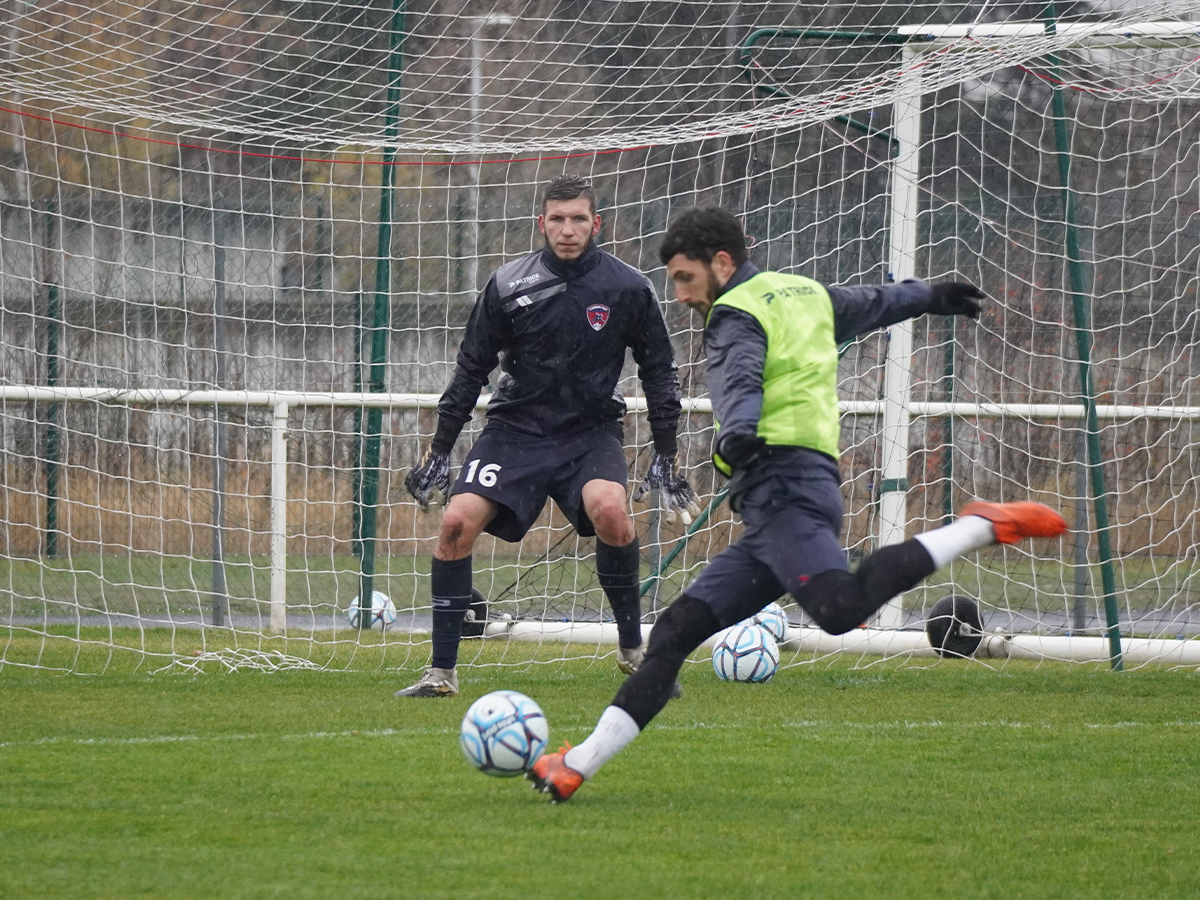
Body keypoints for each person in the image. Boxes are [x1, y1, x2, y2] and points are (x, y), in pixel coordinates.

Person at [528, 206, 1068, 801]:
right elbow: (875, 302)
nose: (679, 294)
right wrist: (931, 294)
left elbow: (740, 379)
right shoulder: (804, 294)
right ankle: (574, 764)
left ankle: (975, 527)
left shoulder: (735, 313)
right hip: (777, 502)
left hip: (783, 484)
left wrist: (737, 432)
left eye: (685, 278)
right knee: (676, 631)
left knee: (838, 609)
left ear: (722, 263)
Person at [397, 175, 700, 698]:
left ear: (596, 223)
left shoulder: (628, 287)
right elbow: (472, 368)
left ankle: (635, 653)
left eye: (578, 219)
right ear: (542, 223)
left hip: (590, 432)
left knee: (611, 511)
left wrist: (667, 454)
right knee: (454, 524)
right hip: (517, 429)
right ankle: (440, 673)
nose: (567, 229)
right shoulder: (509, 284)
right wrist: (440, 448)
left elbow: (659, 371)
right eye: (557, 219)